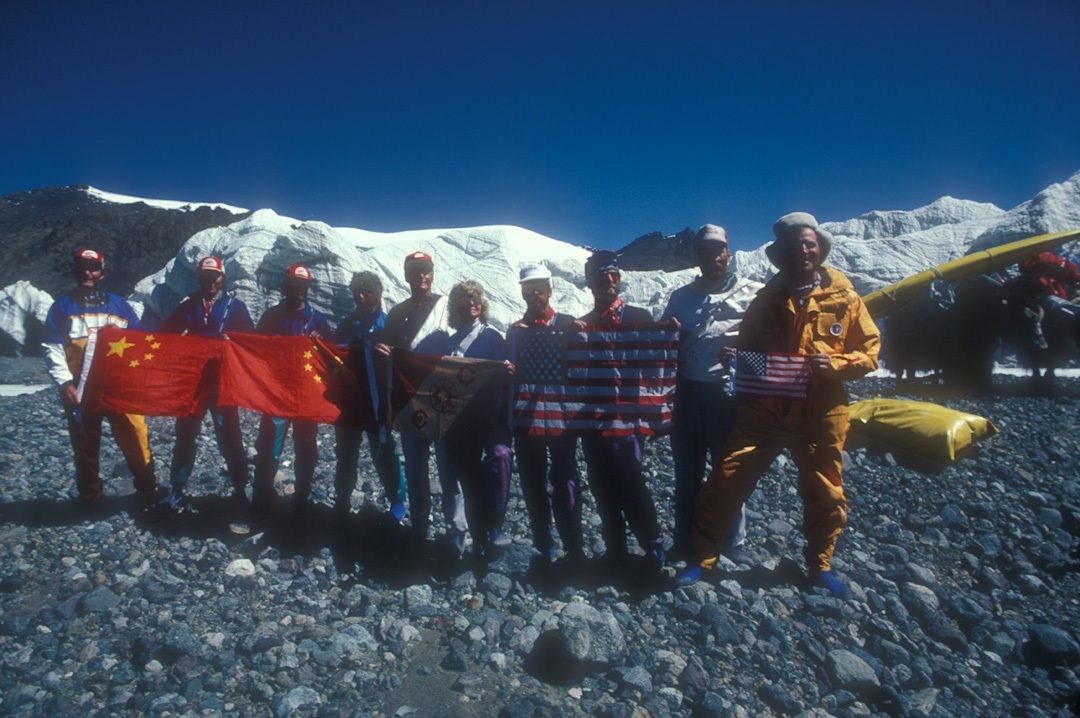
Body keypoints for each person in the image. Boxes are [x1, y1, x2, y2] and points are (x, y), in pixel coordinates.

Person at [677, 213, 880, 598]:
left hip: (822, 411)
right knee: (726, 477)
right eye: (793, 246)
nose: (802, 250)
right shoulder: (765, 300)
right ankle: (702, 559)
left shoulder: (846, 298)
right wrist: (734, 357)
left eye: (808, 244)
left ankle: (820, 564)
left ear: (819, 249)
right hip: (765, 410)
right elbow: (750, 348)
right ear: (781, 254)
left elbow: (869, 352)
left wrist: (836, 365)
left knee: (826, 490)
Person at [661, 224, 763, 562]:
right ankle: (684, 539)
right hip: (687, 396)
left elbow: (772, 347)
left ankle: (733, 542)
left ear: (728, 254)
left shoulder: (755, 294)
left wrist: (745, 359)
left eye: (718, 250)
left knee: (728, 470)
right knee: (686, 471)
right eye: (705, 251)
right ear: (697, 257)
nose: (713, 256)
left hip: (728, 395)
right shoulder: (680, 298)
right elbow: (662, 347)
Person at [41, 248, 156, 502]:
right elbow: (52, 346)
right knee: (85, 441)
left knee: (136, 432)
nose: (87, 272)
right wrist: (65, 383)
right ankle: (90, 493)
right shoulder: (61, 307)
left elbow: (140, 341)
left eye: (93, 268)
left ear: (102, 273)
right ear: (74, 270)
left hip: (119, 386)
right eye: (82, 267)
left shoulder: (119, 306)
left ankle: (147, 485)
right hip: (80, 388)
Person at [576, 250, 666, 569]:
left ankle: (652, 545)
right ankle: (615, 548)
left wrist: (655, 416)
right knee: (600, 483)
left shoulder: (642, 318)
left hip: (630, 420)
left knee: (631, 481)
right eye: (601, 278)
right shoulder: (582, 326)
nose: (608, 282)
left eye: (613, 276)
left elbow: (658, 369)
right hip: (595, 421)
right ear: (590, 283)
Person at [373, 251, 465, 545]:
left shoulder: (446, 307)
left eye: (425, 270)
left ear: (432, 274)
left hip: (442, 397)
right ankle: (420, 526)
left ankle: (457, 532)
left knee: (449, 465)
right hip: (409, 398)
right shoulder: (397, 312)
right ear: (407, 275)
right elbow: (390, 352)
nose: (421, 275)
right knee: (415, 466)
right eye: (415, 271)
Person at [161, 256, 255, 509]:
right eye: (205, 277)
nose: (210, 282)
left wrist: (233, 340)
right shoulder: (188, 305)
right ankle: (177, 488)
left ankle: (240, 489)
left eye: (215, 277)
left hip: (223, 383)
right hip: (193, 383)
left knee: (230, 436)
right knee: (185, 434)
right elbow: (165, 334)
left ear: (222, 277)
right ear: (199, 277)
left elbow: (251, 340)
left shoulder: (235, 307)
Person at [507, 265, 585, 564]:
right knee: (532, 482)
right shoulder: (514, 330)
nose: (534, 294)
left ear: (550, 290)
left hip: (562, 419)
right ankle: (544, 544)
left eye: (539, 288)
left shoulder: (568, 324)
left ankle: (574, 545)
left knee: (565, 479)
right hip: (527, 418)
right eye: (528, 289)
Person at [436, 281, 513, 561]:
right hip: (460, 422)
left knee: (498, 463)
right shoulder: (451, 341)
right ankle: (474, 537)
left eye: (477, 297)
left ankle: (492, 526)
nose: (472, 303)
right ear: (456, 305)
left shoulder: (492, 337)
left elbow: (504, 378)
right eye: (466, 299)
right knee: (465, 478)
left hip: (488, 419)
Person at [250, 264, 334, 516]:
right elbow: (254, 349)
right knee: (269, 445)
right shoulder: (271, 316)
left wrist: (322, 343)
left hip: (305, 394)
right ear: (286, 286)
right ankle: (261, 498)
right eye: (294, 285)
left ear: (307, 289)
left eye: (303, 286)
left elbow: (331, 356)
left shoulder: (317, 319)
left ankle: (302, 496)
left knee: (306, 444)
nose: (298, 290)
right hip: (276, 393)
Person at [332, 271, 406, 523]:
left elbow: (404, 359)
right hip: (350, 403)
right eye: (357, 292)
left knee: (384, 450)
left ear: (378, 293)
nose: (361, 296)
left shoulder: (388, 324)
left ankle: (398, 500)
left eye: (367, 291)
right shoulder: (347, 325)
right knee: (346, 452)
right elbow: (332, 360)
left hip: (378, 403)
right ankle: (341, 499)